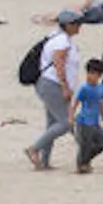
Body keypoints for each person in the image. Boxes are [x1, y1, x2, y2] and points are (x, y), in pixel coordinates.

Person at [24, 11, 85, 171]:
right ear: (68, 25)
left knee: (52, 123)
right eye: (77, 23)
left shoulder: (56, 37)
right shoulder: (62, 42)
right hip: (53, 84)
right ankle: (34, 149)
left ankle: (44, 161)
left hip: (48, 84)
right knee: (65, 123)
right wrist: (65, 87)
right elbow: (59, 64)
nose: (80, 26)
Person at [71, 57, 103, 173]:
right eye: (89, 73)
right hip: (84, 121)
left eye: (93, 73)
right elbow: (75, 103)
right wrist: (71, 117)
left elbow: (101, 105)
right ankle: (81, 165)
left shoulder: (100, 89)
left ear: (99, 76)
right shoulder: (84, 88)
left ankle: (85, 161)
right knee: (85, 144)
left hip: (95, 121)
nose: (90, 76)